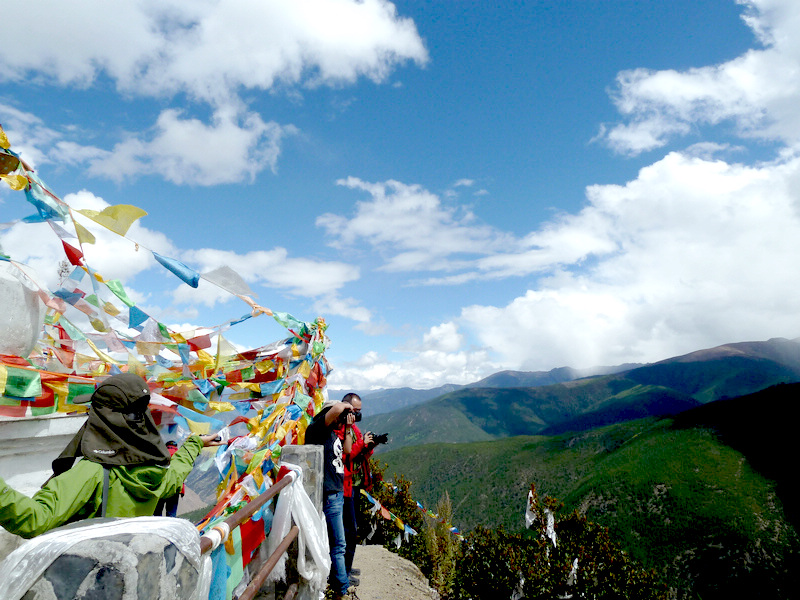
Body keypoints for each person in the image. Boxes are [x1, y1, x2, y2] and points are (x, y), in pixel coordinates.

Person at [0, 373, 222, 538]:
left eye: (92, 412)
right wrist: (194, 443)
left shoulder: (93, 471)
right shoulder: (156, 470)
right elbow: (175, 476)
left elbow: (35, 520)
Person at [304, 398, 355, 600]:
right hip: (328, 494)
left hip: (336, 492)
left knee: (334, 543)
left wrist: (348, 427)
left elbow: (348, 451)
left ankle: (336, 584)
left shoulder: (332, 434)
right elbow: (336, 408)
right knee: (338, 544)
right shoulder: (318, 429)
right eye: (339, 416)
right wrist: (346, 407)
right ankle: (341, 589)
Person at [339, 392, 374, 587]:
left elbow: (360, 455)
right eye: (355, 411)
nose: (358, 414)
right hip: (344, 486)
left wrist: (370, 445)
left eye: (360, 411)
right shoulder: (342, 429)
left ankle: (347, 567)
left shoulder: (354, 429)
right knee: (349, 531)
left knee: (351, 529)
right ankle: (343, 572)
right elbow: (347, 455)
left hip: (354, 484)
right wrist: (361, 443)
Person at [154, 441, 184, 517]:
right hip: (175, 487)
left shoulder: (160, 453)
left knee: (158, 512)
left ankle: (158, 528)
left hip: (161, 486)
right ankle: (170, 528)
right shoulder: (180, 454)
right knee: (171, 513)